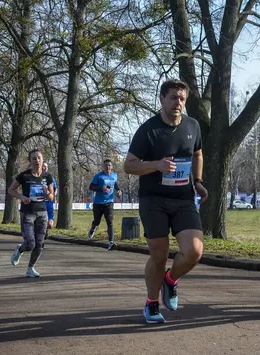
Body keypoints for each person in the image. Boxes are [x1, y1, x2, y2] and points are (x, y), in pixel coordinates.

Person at [123, 79, 208, 324]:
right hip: (154, 200)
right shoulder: (148, 130)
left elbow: (198, 154)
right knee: (159, 255)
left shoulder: (192, 126)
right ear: (161, 99)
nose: (178, 103)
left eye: (182, 99)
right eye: (173, 98)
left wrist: (199, 181)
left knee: (194, 251)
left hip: (183, 199)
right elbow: (129, 165)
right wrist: (156, 165)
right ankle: (151, 304)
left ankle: (170, 281)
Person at [8, 149, 55, 278]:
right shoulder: (24, 176)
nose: (37, 161)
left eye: (39, 158)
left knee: (40, 244)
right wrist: (21, 197)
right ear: (30, 161)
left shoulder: (47, 177)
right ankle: (20, 249)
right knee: (30, 244)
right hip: (28, 213)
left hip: (42, 213)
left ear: (42, 160)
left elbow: (51, 197)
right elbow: (11, 190)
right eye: (34, 158)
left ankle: (30, 268)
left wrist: (47, 193)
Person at [87, 159, 122, 250]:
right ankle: (93, 227)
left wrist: (118, 190)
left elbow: (115, 184)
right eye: (106, 165)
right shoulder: (98, 176)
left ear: (112, 167)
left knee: (110, 222)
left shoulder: (114, 176)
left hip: (109, 202)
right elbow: (91, 187)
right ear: (103, 167)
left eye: (109, 165)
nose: (108, 167)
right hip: (98, 203)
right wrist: (101, 189)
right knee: (97, 221)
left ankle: (111, 242)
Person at [42, 162, 57, 245]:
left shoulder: (50, 178)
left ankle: (45, 230)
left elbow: (54, 190)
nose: (45, 168)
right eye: (43, 166)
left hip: (49, 203)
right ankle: (40, 239)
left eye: (46, 167)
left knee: (50, 225)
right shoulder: (37, 177)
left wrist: (49, 194)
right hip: (39, 203)